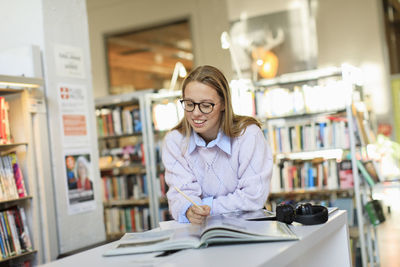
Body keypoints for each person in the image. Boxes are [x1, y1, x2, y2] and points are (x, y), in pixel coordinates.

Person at [162, 65, 273, 224]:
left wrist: (206, 206)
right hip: (197, 233)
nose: (196, 113)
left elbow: (253, 197)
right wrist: (188, 210)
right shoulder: (175, 141)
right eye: (189, 104)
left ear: (223, 104)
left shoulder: (248, 135)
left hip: (247, 231)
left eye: (206, 105)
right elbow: (180, 196)